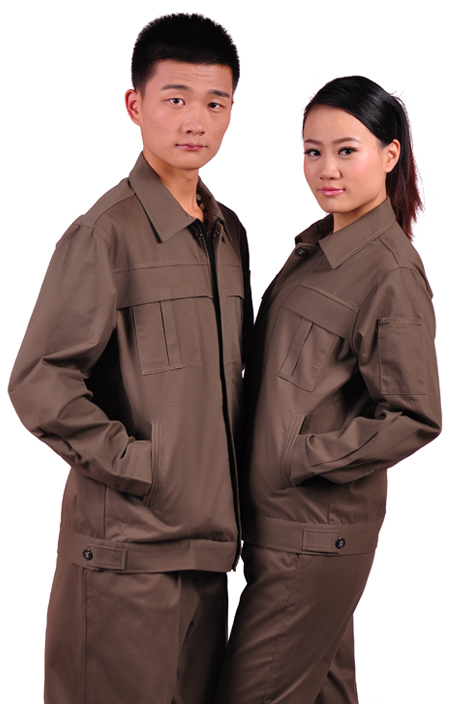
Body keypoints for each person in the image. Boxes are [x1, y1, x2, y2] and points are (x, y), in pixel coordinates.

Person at [8, 13, 252, 704]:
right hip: (126, 564)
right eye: (175, 98)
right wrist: (143, 465)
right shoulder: (102, 235)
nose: (196, 121)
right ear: (135, 105)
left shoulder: (228, 234)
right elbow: (40, 381)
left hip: (209, 560)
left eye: (216, 103)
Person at [214, 76, 442, 704]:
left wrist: (300, 458)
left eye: (346, 150)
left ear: (389, 155)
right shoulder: (317, 251)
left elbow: (415, 414)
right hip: (280, 528)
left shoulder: (390, 271)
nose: (326, 169)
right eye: (313, 151)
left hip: (314, 535)